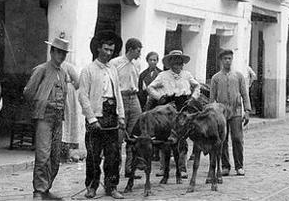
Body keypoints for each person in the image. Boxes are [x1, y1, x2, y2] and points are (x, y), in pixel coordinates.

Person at [23, 36, 76, 200]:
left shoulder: (64, 72)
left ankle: (46, 188)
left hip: (58, 118)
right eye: (59, 52)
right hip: (44, 117)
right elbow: (28, 92)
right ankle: (38, 190)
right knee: (43, 155)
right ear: (52, 52)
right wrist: (41, 104)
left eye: (64, 53)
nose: (61, 56)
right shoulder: (41, 69)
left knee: (55, 156)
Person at [79, 35, 126, 199]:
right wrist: (92, 119)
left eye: (111, 50)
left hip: (112, 115)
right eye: (106, 49)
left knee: (113, 155)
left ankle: (111, 187)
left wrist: (121, 116)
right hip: (96, 116)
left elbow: (117, 93)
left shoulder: (113, 69)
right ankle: (91, 186)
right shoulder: (88, 70)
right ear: (98, 48)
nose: (108, 53)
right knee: (93, 155)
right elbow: (83, 97)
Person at [147, 50, 201, 178]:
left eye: (180, 62)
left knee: (182, 138)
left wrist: (193, 97)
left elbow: (197, 86)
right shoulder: (163, 75)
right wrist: (159, 97)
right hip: (167, 107)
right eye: (175, 62)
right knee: (164, 137)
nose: (179, 65)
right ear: (170, 63)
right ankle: (163, 168)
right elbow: (150, 87)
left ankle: (182, 168)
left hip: (183, 106)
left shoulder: (187, 75)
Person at [210, 49, 251, 176]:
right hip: (221, 114)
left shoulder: (238, 76)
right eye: (225, 59)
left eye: (230, 58)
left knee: (237, 139)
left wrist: (247, 111)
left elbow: (244, 94)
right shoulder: (216, 78)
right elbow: (212, 98)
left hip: (236, 111)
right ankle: (225, 166)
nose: (228, 61)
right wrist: (212, 114)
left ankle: (239, 166)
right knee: (222, 140)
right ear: (221, 61)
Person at [108, 38, 143, 180]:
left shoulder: (137, 63)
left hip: (134, 98)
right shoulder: (115, 63)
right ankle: (115, 171)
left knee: (134, 135)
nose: (140, 54)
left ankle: (130, 169)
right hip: (120, 98)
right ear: (130, 49)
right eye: (138, 51)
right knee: (118, 137)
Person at [60, 61, 80, 162]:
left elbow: (77, 82)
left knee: (67, 121)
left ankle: (66, 154)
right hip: (56, 94)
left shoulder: (68, 66)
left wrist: (69, 89)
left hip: (67, 96)